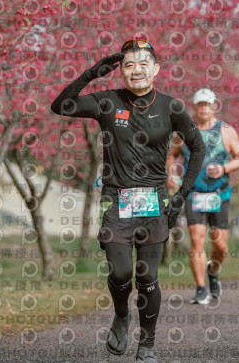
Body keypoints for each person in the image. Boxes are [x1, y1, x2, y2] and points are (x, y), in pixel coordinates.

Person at [51, 40, 205, 363]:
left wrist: (181, 196)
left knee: (147, 278)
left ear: (156, 69)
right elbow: (61, 106)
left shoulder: (171, 107)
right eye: (129, 65)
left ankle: (147, 344)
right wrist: (91, 74)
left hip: (154, 202)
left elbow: (198, 147)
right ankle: (122, 315)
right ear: (120, 71)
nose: (137, 70)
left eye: (143, 63)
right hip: (115, 201)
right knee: (121, 273)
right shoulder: (108, 101)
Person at [166, 88, 239, 304]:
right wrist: (171, 174)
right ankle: (201, 288)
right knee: (197, 241)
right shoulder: (183, 132)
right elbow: (172, 155)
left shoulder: (226, 131)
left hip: (219, 194)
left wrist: (224, 168)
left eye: (207, 104)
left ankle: (213, 272)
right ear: (194, 107)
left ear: (214, 106)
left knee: (221, 246)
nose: (204, 108)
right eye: (200, 104)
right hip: (194, 194)